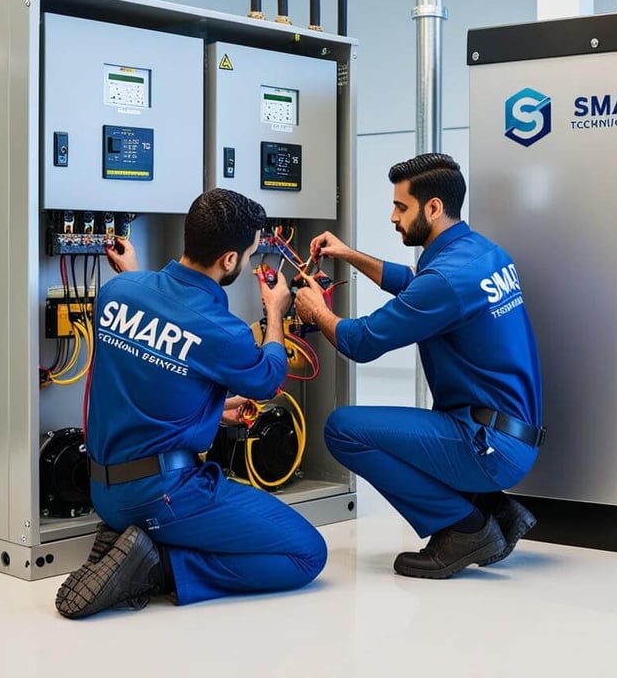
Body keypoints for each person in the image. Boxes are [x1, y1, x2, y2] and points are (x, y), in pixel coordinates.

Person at [55, 188, 327, 619]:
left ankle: (132, 538)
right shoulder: (222, 331)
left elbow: (154, 368)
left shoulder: (117, 291)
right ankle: (156, 565)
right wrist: (275, 310)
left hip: (104, 491)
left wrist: (214, 410)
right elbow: (269, 378)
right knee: (307, 554)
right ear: (229, 260)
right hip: (165, 494)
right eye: (250, 255)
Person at [293, 152, 544, 580]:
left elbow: (361, 342)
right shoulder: (481, 252)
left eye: (401, 206)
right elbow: (415, 283)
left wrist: (316, 311)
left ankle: (465, 529)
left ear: (433, 208)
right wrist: (348, 254)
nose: (393, 217)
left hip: (488, 444)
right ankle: (488, 506)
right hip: (510, 432)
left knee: (343, 429)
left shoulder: (447, 279)